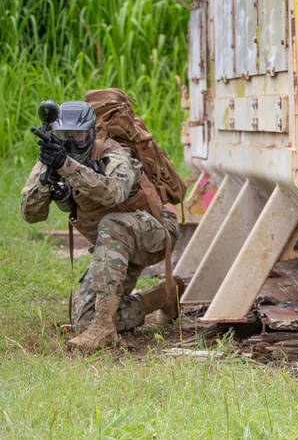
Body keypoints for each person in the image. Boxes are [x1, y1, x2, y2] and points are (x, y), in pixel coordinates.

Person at [20, 100, 181, 352]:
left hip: (155, 233)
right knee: (84, 320)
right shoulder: (54, 157)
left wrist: (65, 165)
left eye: (79, 135)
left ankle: (104, 327)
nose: (71, 143)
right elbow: (30, 215)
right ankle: (161, 296)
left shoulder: (113, 153)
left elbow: (113, 194)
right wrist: (47, 180)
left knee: (113, 221)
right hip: (114, 248)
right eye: (65, 136)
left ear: (92, 133)